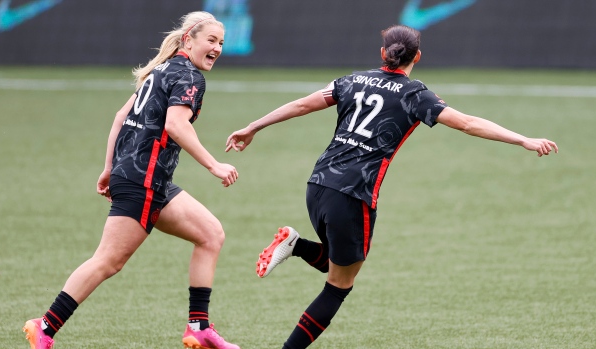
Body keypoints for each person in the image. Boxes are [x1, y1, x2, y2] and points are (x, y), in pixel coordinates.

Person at [225, 24, 558, 349]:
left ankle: (295, 245)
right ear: (418, 57)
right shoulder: (415, 94)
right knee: (339, 285)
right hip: (354, 194)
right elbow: (469, 123)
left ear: (383, 53)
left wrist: (253, 126)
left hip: (318, 185)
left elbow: (300, 105)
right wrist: (524, 140)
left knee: (337, 261)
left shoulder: (351, 80)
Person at [23, 11, 240, 349]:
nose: (217, 48)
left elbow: (120, 117)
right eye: (211, 40)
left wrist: (110, 167)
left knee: (210, 234)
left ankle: (198, 327)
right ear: (189, 40)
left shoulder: (160, 71)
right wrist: (214, 165)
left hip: (144, 178)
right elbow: (176, 126)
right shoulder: (189, 78)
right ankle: (45, 326)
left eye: (221, 42)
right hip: (143, 180)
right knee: (108, 261)